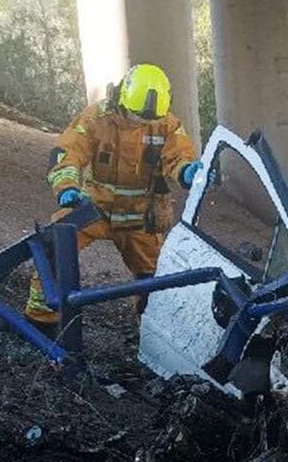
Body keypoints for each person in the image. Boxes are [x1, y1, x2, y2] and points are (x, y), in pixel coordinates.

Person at [25, 63, 215, 335]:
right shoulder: (96, 119)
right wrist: (66, 187)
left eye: (148, 119)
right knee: (56, 245)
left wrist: (188, 172)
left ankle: (152, 332)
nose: (141, 123)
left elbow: (178, 157)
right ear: (122, 99)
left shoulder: (167, 125)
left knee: (154, 280)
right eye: (136, 116)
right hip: (93, 208)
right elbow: (67, 153)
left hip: (141, 217)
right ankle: (41, 322)